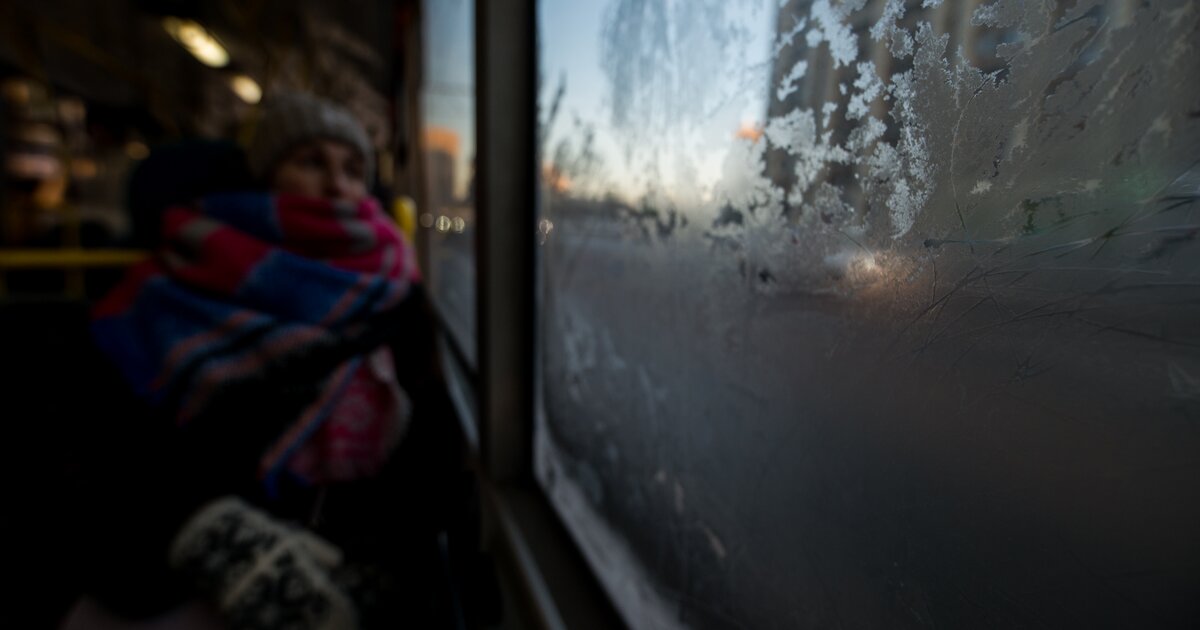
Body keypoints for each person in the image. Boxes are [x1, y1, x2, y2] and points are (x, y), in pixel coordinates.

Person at [58, 92, 474, 629]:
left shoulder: (396, 293)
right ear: (265, 175)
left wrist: (377, 563)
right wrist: (213, 537)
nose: (337, 185)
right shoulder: (171, 285)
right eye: (311, 162)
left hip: (345, 556)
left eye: (353, 169)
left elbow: (425, 461)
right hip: (186, 558)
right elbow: (112, 450)